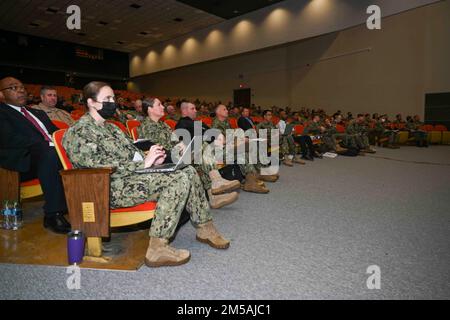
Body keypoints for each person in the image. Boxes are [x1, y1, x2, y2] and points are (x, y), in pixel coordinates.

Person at [63, 82, 230, 268]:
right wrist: (144, 163)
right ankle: (157, 248)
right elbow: (94, 166)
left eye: (113, 98)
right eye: (107, 99)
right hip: (109, 187)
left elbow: (132, 153)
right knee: (178, 179)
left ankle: (205, 227)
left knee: (188, 170)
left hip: (133, 176)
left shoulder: (113, 128)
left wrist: (151, 158)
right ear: (91, 103)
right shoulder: (79, 131)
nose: (113, 103)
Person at [137, 98, 240, 209]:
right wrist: (179, 149)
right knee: (201, 147)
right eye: (159, 104)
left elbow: (175, 141)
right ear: (150, 109)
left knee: (201, 147)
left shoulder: (163, 125)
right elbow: (155, 151)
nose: (163, 107)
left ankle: (214, 192)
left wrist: (183, 145)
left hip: (175, 155)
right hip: (164, 160)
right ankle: (215, 183)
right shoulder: (146, 127)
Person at [0, 77, 70, 234]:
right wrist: (49, 144)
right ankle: (53, 214)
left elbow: (55, 133)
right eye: (13, 87)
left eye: (22, 87)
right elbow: (9, 138)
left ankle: (80, 202)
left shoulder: (37, 112)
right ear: (1, 95)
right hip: (23, 160)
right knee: (51, 152)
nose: (20, 90)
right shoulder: (3, 112)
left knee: (73, 150)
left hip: (47, 154)